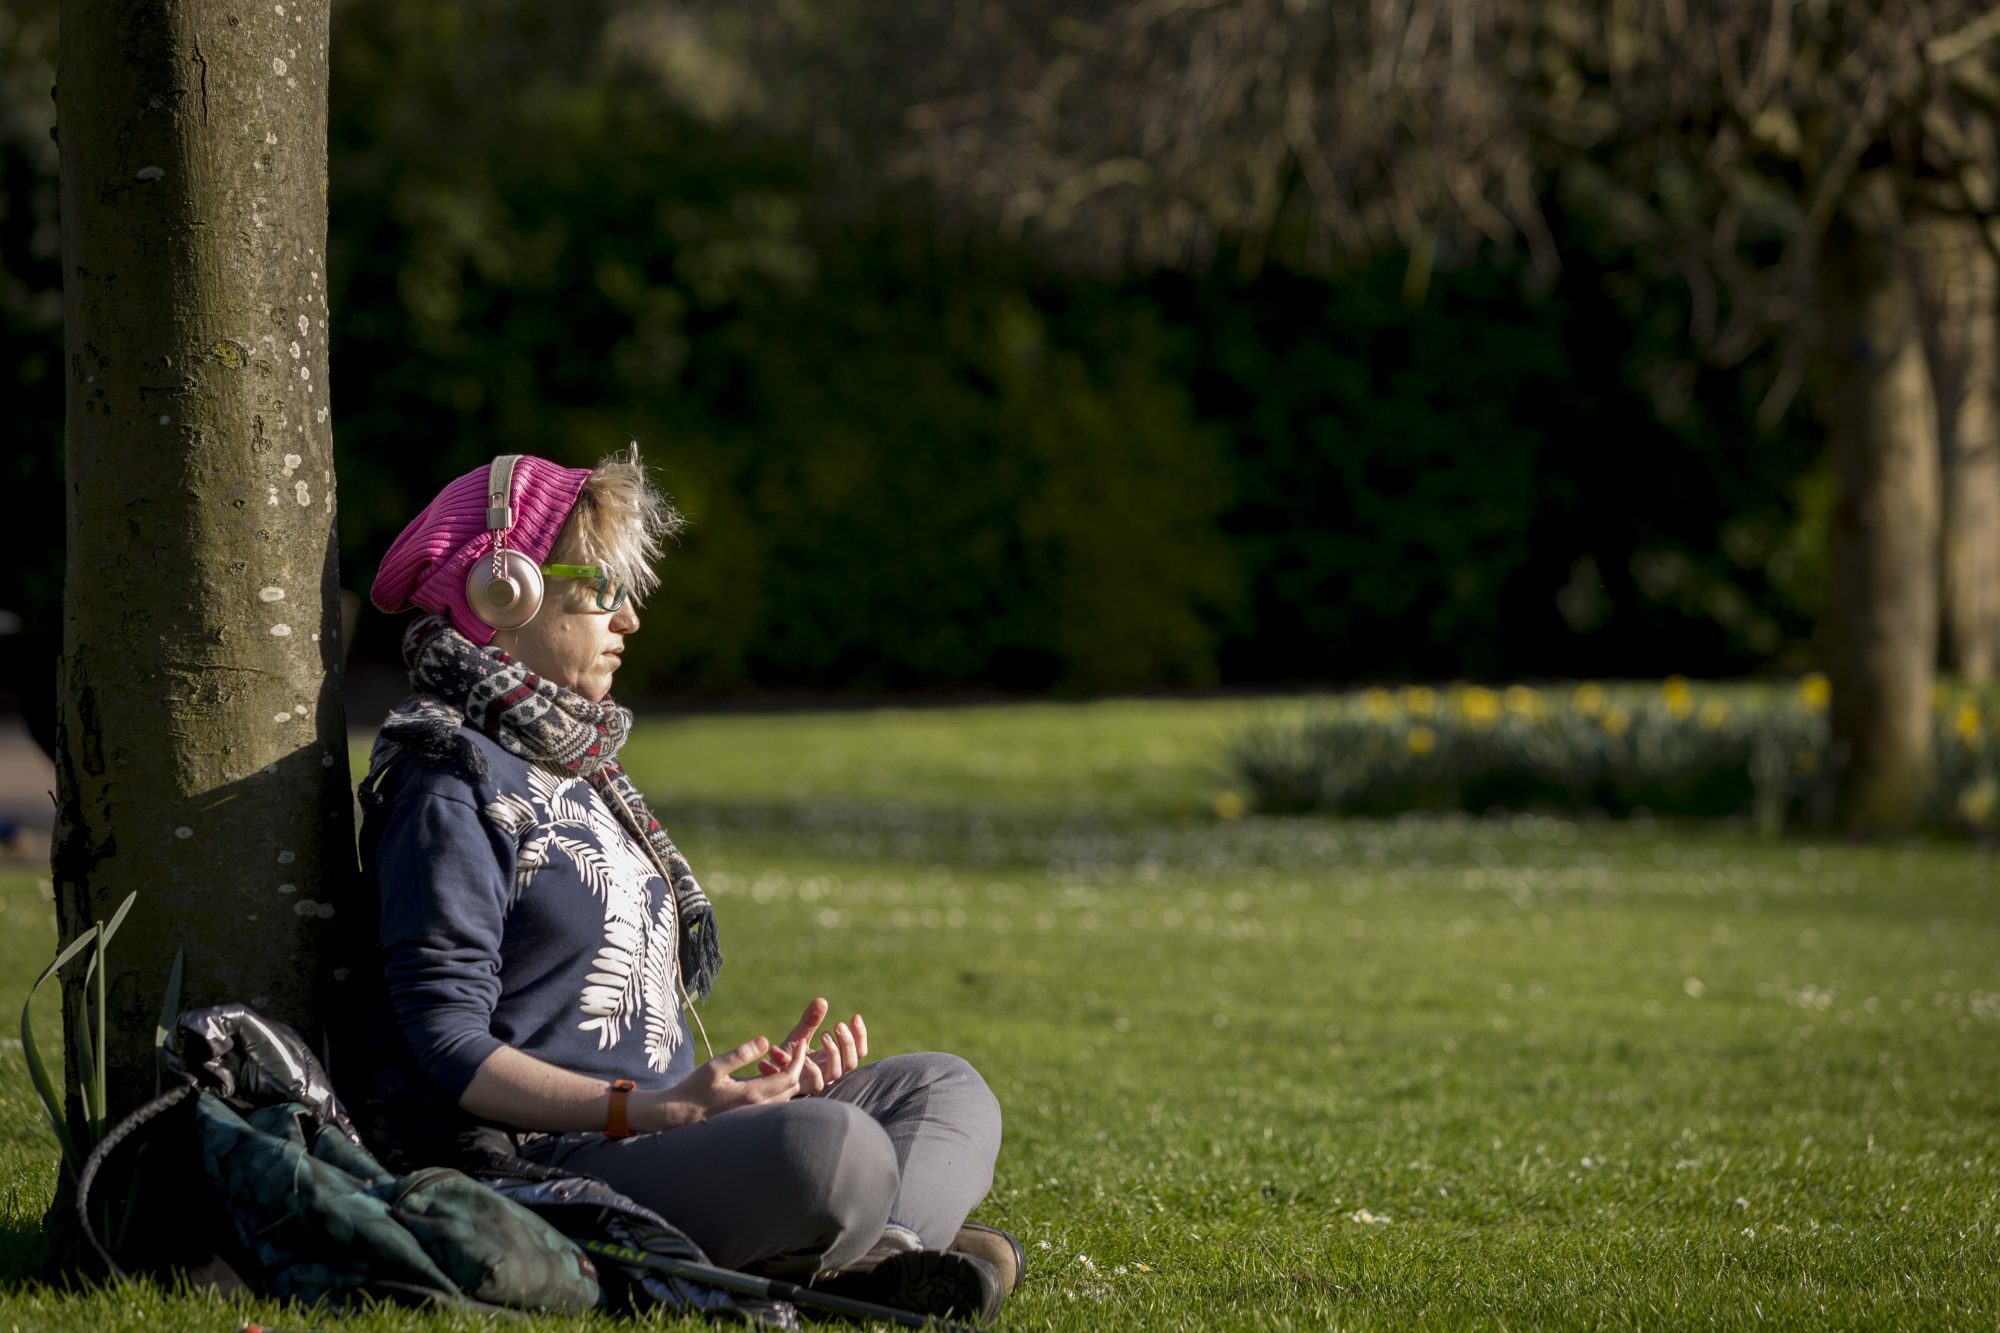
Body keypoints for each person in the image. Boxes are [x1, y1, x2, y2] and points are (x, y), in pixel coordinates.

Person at [350, 448, 1016, 1322]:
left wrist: (746, 1095)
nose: (627, 618)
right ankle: (875, 1251)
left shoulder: (585, 771)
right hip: (551, 1156)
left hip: (659, 1126)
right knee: (837, 1152)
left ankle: (868, 1261)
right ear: (500, 589)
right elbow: (446, 1043)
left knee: (943, 1087)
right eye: (600, 587)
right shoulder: (451, 779)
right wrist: (652, 1110)